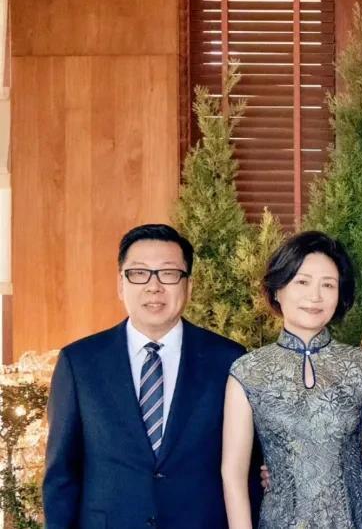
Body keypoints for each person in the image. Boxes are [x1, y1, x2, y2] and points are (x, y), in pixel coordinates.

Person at [44, 224, 252, 528]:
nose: (154, 286)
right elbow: (62, 474)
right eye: (139, 273)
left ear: (189, 286)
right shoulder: (79, 362)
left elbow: (248, 467)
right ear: (120, 284)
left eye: (168, 273)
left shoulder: (228, 359)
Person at [222, 231, 362, 528]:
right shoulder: (247, 372)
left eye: (328, 285)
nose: (315, 296)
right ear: (278, 290)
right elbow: (233, 474)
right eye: (302, 282)